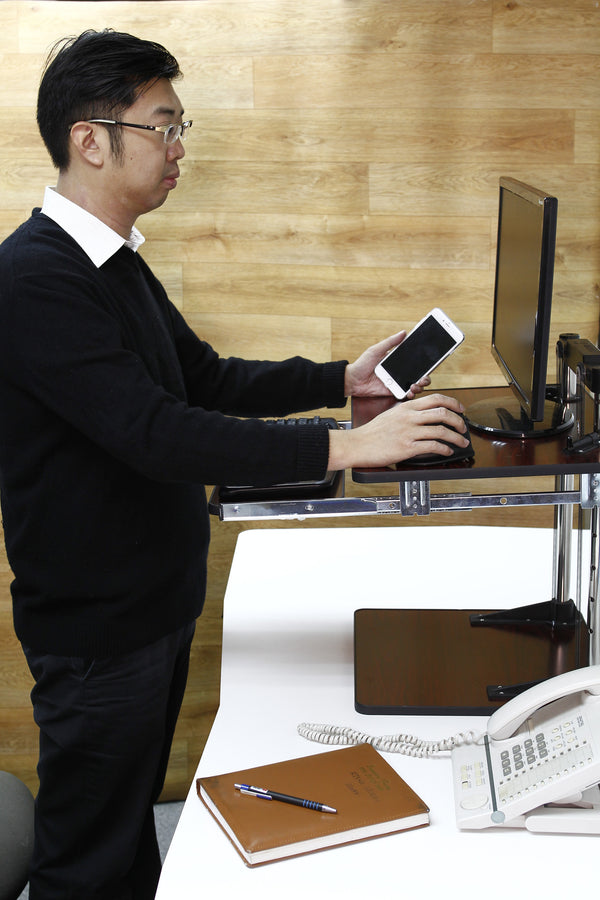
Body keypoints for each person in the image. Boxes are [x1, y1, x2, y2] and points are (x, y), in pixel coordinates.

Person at [0, 29, 469, 900]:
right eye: (163, 126)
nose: (179, 147)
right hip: (100, 631)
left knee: (125, 840)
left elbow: (204, 378)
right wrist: (348, 444)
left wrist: (340, 380)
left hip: (152, 606)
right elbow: (156, 432)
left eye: (180, 126)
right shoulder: (35, 279)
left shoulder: (115, 262)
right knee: (85, 861)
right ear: (90, 140)